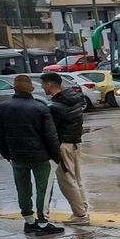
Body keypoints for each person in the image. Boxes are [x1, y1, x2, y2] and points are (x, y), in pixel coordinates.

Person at [0, 75, 64, 236]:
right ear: (31, 88)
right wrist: (56, 156)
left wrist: (7, 155)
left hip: (16, 157)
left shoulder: (2, 108)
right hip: (41, 157)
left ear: (14, 88)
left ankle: (29, 221)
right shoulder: (40, 107)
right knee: (43, 190)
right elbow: (50, 136)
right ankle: (43, 223)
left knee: (23, 189)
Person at [40, 72, 90, 224]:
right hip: (74, 143)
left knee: (67, 181)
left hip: (62, 145)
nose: (42, 87)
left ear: (49, 84)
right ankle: (83, 209)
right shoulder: (73, 99)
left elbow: (50, 130)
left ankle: (80, 215)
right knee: (76, 179)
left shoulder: (56, 106)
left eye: (43, 84)